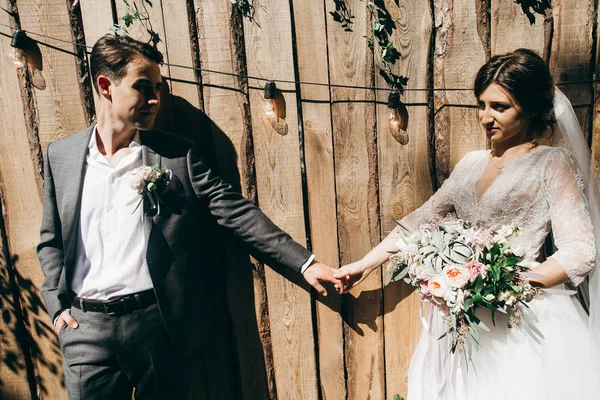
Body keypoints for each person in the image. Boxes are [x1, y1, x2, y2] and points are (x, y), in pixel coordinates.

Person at [37, 34, 343, 400]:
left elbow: (235, 211)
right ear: (106, 85)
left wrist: (304, 263)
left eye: (158, 88)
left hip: (157, 326)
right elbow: (51, 240)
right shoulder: (62, 156)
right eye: (143, 87)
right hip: (85, 332)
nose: (155, 99)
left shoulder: (175, 157)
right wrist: (57, 308)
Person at [335, 49, 600, 399]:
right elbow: (421, 219)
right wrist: (365, 264)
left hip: (519, 318)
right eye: (481, 105)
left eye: (500, 107)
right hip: (461, 323)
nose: (486, 117)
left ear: (532, 109)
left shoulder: (552, 164)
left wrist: (503, 282)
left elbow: (580, 251)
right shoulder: (471, 164)